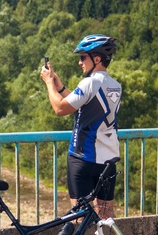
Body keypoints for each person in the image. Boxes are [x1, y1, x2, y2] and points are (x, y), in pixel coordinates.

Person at [40, 35, 122, 218]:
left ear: (97, 58)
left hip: (82, 158)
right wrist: (60, 87)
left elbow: (60, 109)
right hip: (108, 161)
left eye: (83, 57)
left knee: (80, 218)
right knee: (106, 217)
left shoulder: (90, 82)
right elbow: (83, 105)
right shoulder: (115, 86)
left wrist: (48, 83)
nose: (79, 62)